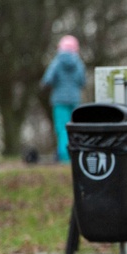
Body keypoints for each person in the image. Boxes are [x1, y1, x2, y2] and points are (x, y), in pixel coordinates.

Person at [41, 35, 86, 163]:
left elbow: (48, 79)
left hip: (59, 100)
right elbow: (82, 81)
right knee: (75, 128)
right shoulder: (78, 63)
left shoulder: (57, 62)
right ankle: (75, 154)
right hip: (74, 99)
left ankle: (64, 156)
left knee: (62, 128)